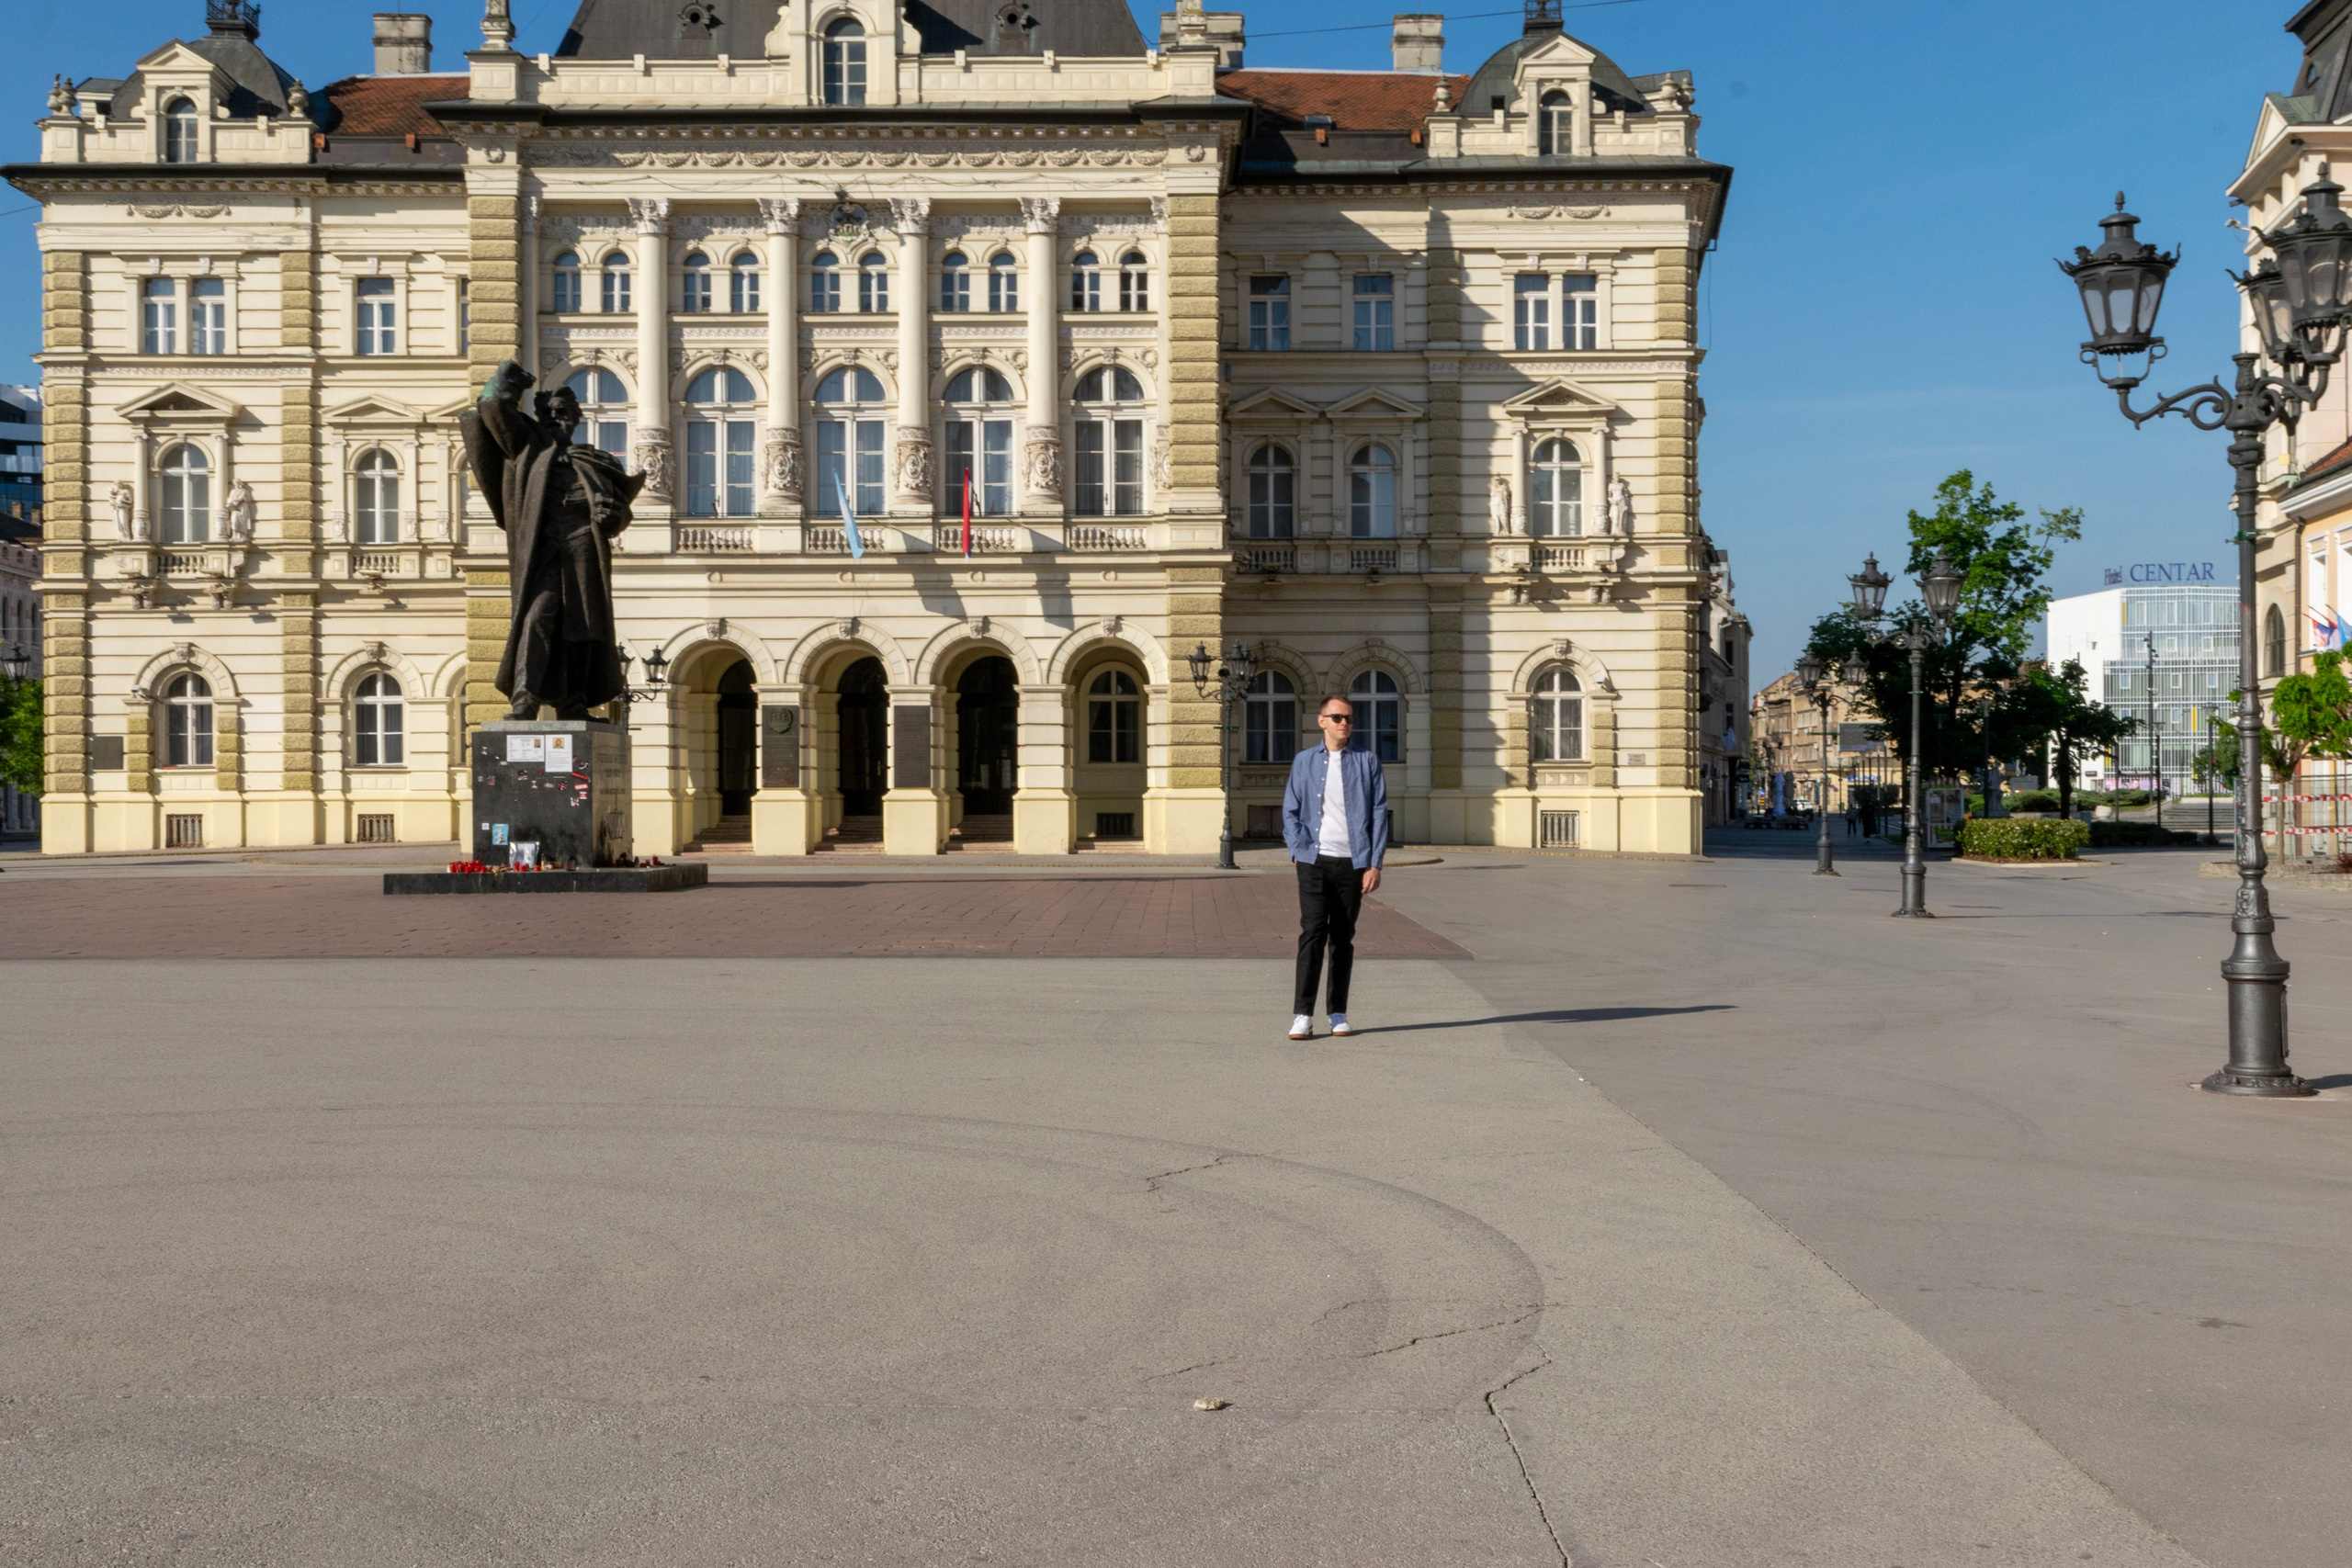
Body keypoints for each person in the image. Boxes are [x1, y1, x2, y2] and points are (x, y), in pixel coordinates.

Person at [460, 360, 645, 720]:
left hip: (583, 546)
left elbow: (622, 510)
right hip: (543, 547)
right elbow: (492, 406)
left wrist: (613, 516)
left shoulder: (594, 461)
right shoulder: (526, 448)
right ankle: (525, 698)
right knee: (538, 617)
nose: (556, 419)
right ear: (539, 417)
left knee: (584, 627)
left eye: (563, 413)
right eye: (549, 413)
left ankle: (573, 703)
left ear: (576, 419)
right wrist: (512, 377)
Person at [1281, 692, 1390, 1041]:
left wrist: (1374, 863)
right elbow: (1291, 810)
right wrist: (1297, 849)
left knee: (1342, 939)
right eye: (1339, 718)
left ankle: (1337, 1012)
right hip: (1314, 861)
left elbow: (1378, 813)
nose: (1346, 724)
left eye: (1350, 719)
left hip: (1353, 863)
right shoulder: (1304, 761)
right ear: (1322, 721)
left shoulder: (1367, 761)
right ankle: (1302, 1015)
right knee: (1312, 933)